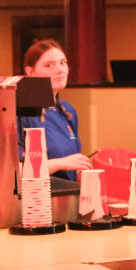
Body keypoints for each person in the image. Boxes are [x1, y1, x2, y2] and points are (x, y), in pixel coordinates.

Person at [18, 40, 93, 181]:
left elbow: (74, 165)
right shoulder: (20, 112)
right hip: (36, 196)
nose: (60, 70)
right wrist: (61, 164)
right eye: (48, 65)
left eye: (63, 63)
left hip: (69, 195)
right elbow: (15, 171)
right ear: (30, 71)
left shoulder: (68, 110)